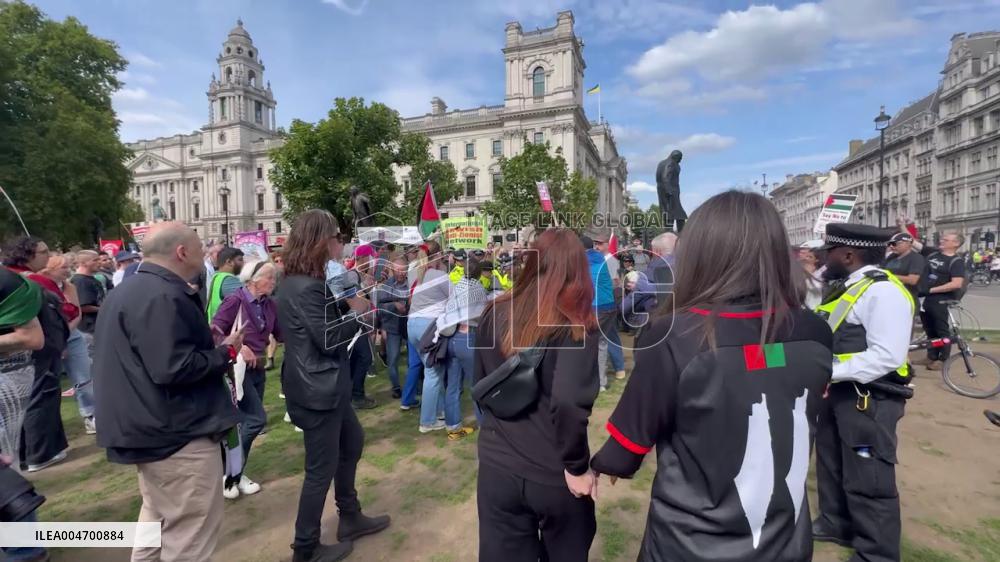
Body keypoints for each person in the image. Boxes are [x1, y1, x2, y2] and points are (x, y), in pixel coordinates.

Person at [591, 191, 832, 561]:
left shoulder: (676, 333)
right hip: (785, 542)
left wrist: (597, 464)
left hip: (689, 545)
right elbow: (762, 365)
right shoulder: (815, 331)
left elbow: (626, 450)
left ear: (700, 253)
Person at [93, 222, 245, 562]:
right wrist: (224, 353)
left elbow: (154, 357)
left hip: (148, 428)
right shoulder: (163, 294)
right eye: (200, 245)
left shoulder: (130, 290)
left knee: (156, 522)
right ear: (182, 252)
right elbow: (173, 368)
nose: (205, 252)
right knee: (189, 534)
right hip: (175, 434)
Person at [474, 228, 599, 562]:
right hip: (551, 471)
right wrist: (577, 467)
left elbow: (481, 385)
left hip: (499, 467)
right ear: (578, 268)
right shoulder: (575, 323)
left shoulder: (493, 311)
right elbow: (569, 401)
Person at [275, 210, 390, 562]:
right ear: (321, 240)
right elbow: (327, 339)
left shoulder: (300, 281)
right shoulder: (306, 285)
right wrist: (359, 315)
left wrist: (344, 304)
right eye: (336, 237)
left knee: (351, 443)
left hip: (324, 385)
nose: (340, 243)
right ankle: (305, 547)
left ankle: (350, 516)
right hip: (317, 389)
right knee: (319, 470)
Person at [811, 223, 915, 562]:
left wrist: (828, 370)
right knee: (832, 464)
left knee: (868, 475)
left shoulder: (883, 293)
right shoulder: (848, 287)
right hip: (839, 395)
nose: (824, 257)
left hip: (868, 402)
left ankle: (876, 553)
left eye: (829, 251)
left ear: (848, 254)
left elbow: (887, 356)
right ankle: (836, 523)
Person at [211, 259, 282, 499]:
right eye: (269, 277)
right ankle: (230, 473)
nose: (273, 282)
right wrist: (240, 348)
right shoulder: (236, 300)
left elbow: (281, 333)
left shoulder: (270, 304)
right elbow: (216, 331)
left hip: (258, 370)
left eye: (274, 277)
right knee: (255, 420)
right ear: (252, 279)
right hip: (236, 370)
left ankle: (233, 474)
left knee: (245, 423)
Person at [0, 266, 46, 562]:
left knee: (4, 469)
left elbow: (32, 337)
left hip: (6, 381)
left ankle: (24, 550)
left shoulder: (6, 282)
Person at [20, 255, 79, 472]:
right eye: (42, 252)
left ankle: (32, 454)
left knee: (36, 400)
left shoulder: (26, 281)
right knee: (41, 399)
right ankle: (40, 454)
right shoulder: (31, 283)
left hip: (40, 349)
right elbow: (66, 310)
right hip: (40, 351)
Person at [436, 257, 488, 440]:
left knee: (453, 385)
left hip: (452, 339)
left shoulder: (457, 286)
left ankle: (453, 428)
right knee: (478, 384)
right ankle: (485, 425)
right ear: (478, 272)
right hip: (468, 339)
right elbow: (483, 316)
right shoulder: (478, 288)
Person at [902, 220, 966, 371]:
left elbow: (956, 283)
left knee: (941, 330)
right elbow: (911, 242)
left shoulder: (956, 261)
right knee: (928, 329)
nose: (941, 241)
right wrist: (902, 226)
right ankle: (931, 356)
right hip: (924, 298)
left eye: (946, 239)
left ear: (956, 244)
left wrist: (932, 290)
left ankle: (943, 359)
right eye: (942, 238)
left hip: (939, 299)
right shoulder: (932, 253)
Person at [409, 241, 452, 431]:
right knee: (433, 374)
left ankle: (440, 411)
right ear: (438, 255)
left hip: (413, 326)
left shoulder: (415, 274)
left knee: (434, 372)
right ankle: (427, 421)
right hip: (429, 327)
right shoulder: (440, 275)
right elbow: (455, 298)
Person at [582, 229, 625, 390]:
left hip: (595, 308)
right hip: (609, 307)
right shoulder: (600, 258)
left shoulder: (583, 262)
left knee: (588, 343)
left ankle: (590, 380)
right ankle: (601, 382)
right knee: (602, 343)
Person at [374, 256, 410, 400]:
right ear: (392, 270)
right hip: (392, 327)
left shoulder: (411, 283)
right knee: (393, 358)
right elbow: (380, 308)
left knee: (412, 360)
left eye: (404, 270)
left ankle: (415, 386)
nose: (401, 273)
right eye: (398, 270)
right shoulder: (386, 286)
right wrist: (394, 305)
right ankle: (396, 387)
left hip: (408, 326)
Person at [882, 232, 924, 304]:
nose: (892, 246)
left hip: (907, 298)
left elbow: (912, 280)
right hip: (889, 297)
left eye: (896, 243)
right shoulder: (891, 257)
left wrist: (888, 276)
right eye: (890, 244)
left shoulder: (916, 258)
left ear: (908, 243)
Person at [206, 247, 245, 321]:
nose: (243, 263)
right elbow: (248, 299)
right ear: (229, 262)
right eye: (240, 260)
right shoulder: (229, 280)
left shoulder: (217, 276)